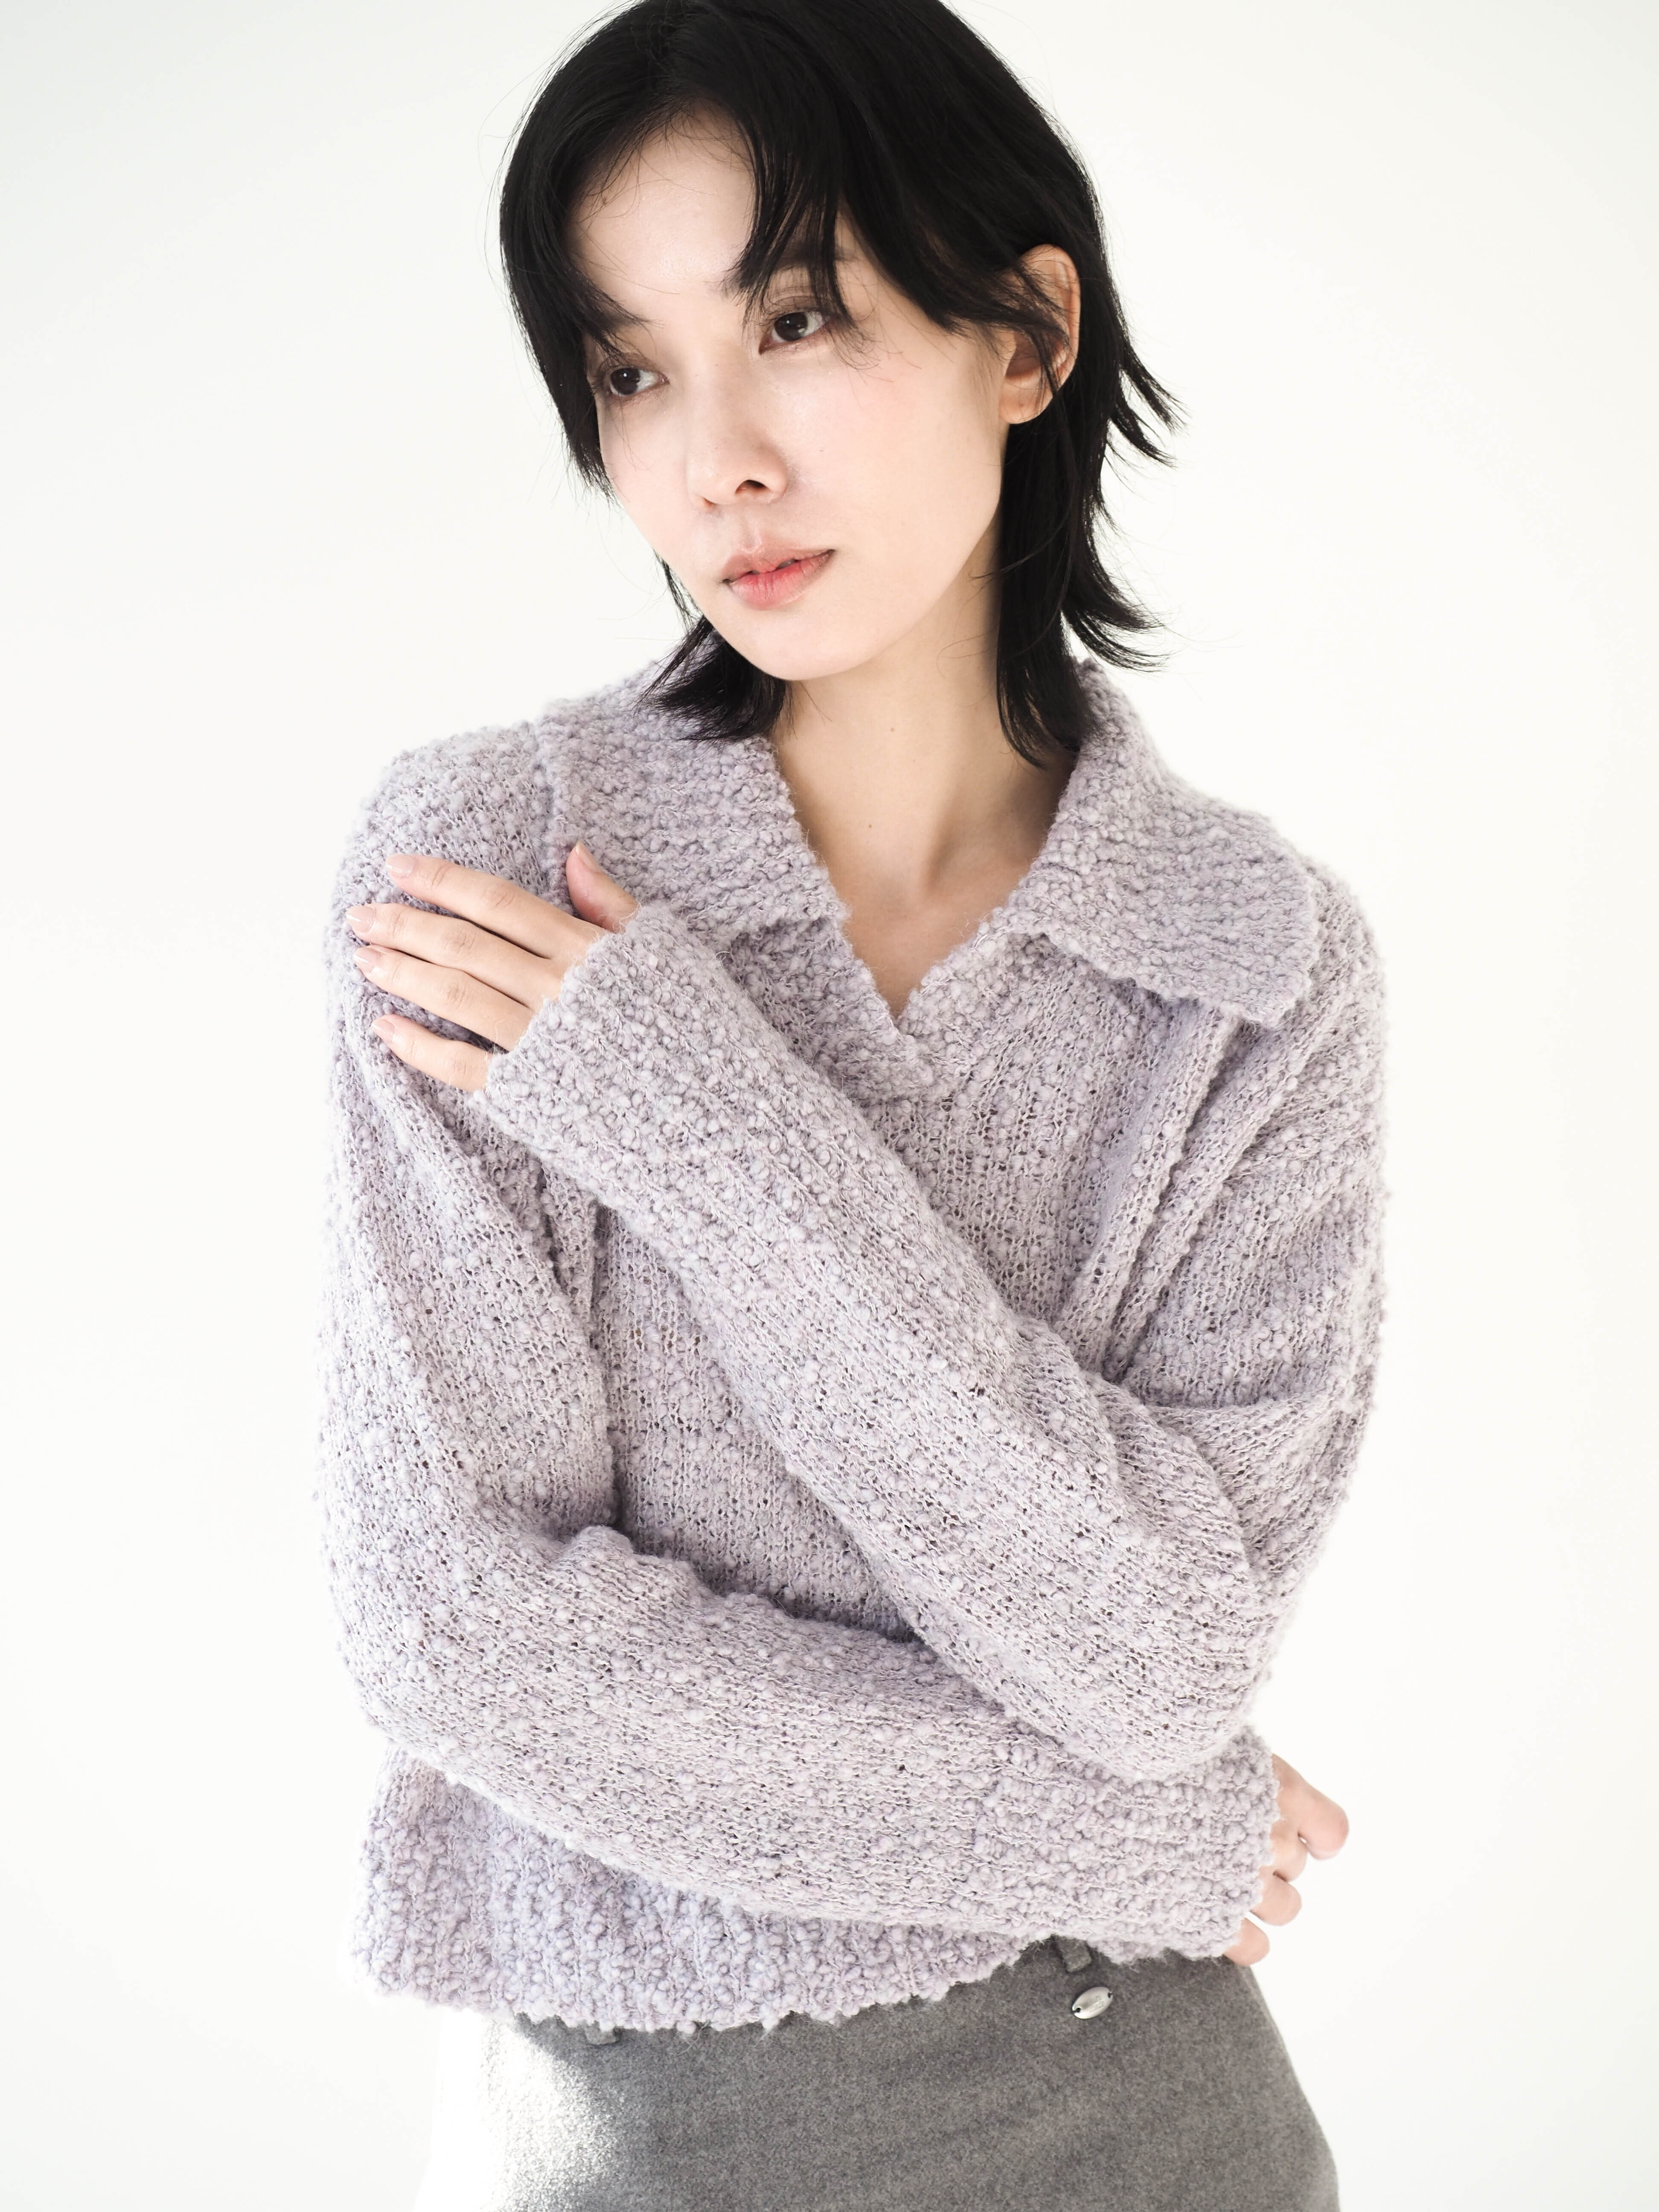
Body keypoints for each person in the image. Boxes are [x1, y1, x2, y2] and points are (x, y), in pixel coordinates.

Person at [317, 1, 1383, 2204]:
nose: (715, 461)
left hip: (1155, 2123)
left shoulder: (1250, 974)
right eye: (633, 372)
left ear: (1028, 334)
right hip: (646, 2137)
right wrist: (1121, 1833)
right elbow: (463, 1637)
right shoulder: (484, 875)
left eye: (795, 322)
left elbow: (1161, 1653)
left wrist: (696, 1121)